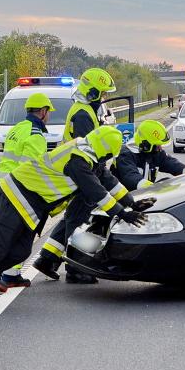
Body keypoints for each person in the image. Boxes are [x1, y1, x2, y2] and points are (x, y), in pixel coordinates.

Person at [0, 126, 154, 310]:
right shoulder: (78, 161)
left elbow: (109, 182)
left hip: (29, 203)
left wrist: (131, 202)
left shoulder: (88, 154)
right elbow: (97, 193)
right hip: (17, 195)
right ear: (103, 150)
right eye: (108, 155)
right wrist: (123, 214)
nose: (108, 159)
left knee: (21, 250)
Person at [33, 67, 117, 284]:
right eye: (104, 93)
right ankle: (76, 268)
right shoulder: (83, 114)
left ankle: (48, 258)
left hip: (80, 172)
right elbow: (89, 150)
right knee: (78, 220)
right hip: (81, 173)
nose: (105, 98)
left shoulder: (85, 109)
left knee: (74, 215)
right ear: (94, 93)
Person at [0, 92, 56, 287]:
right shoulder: (36, 135)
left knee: (9, 232)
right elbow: (32, 169)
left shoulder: (18, 128)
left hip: (1, 184)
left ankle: (11, 274)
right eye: (49, 111)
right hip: (17, 191)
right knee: (15, 234)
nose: (49, 115)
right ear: (43, 112)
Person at [112, 120, 185, 191]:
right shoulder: (124, 155)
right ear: (146, 144)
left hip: (144, 195)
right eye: (157, 145)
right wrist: (155, 187)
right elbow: (131, 177)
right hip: (125, 201)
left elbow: (172, 164)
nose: (160, 148)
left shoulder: (153, 152)